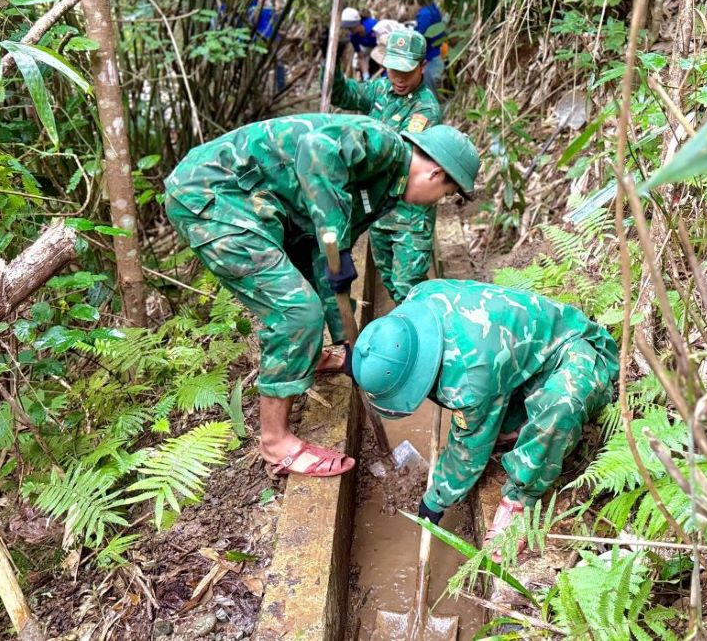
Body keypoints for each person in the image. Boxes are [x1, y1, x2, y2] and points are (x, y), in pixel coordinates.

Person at [164, 116, 480, 479]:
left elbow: (326, 261)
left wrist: (346, 338)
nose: (437, 201)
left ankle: (312, 357)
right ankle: (274, 443)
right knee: (296, 312)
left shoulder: (386, 189)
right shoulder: (382, 144)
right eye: (446, 194)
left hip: (261, 205)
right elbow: (316, 152)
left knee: (312, 291)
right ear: (436, 174)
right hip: (215, 195)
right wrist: (337, 242)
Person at [351, 280, 619, 559]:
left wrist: (436, 499)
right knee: (488, 421)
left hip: (575, 353)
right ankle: (514, 424)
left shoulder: (469, 378)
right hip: (522, 359)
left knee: (557, 412)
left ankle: (519, 499)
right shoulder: (419, 299)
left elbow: (468, 452)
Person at [331, 29, 442, 303]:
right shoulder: (380, 88)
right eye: (393, 69)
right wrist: (331, 66)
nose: (399, 78)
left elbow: (398, 153)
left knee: (408, 287)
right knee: (390, 282)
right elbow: (346, 95)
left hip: (410, 217)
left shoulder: (425, 109)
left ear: (422, 66)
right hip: (379, 213)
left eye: (406, 71)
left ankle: (426, 338)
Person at [414, 3, 447, 92]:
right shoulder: (434, 9)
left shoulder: (425, 13)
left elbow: (420, 35)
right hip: (435, 56)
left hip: (430, 61)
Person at [341, 6, 379, 79]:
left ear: (357, 23)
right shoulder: (353, 37)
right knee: (356, 62)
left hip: (380, 44)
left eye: (351, 27)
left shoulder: (373, 25)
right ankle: (364, 77)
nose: (349, 29)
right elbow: (361, 55)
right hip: (367, 47)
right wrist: (366, 75)